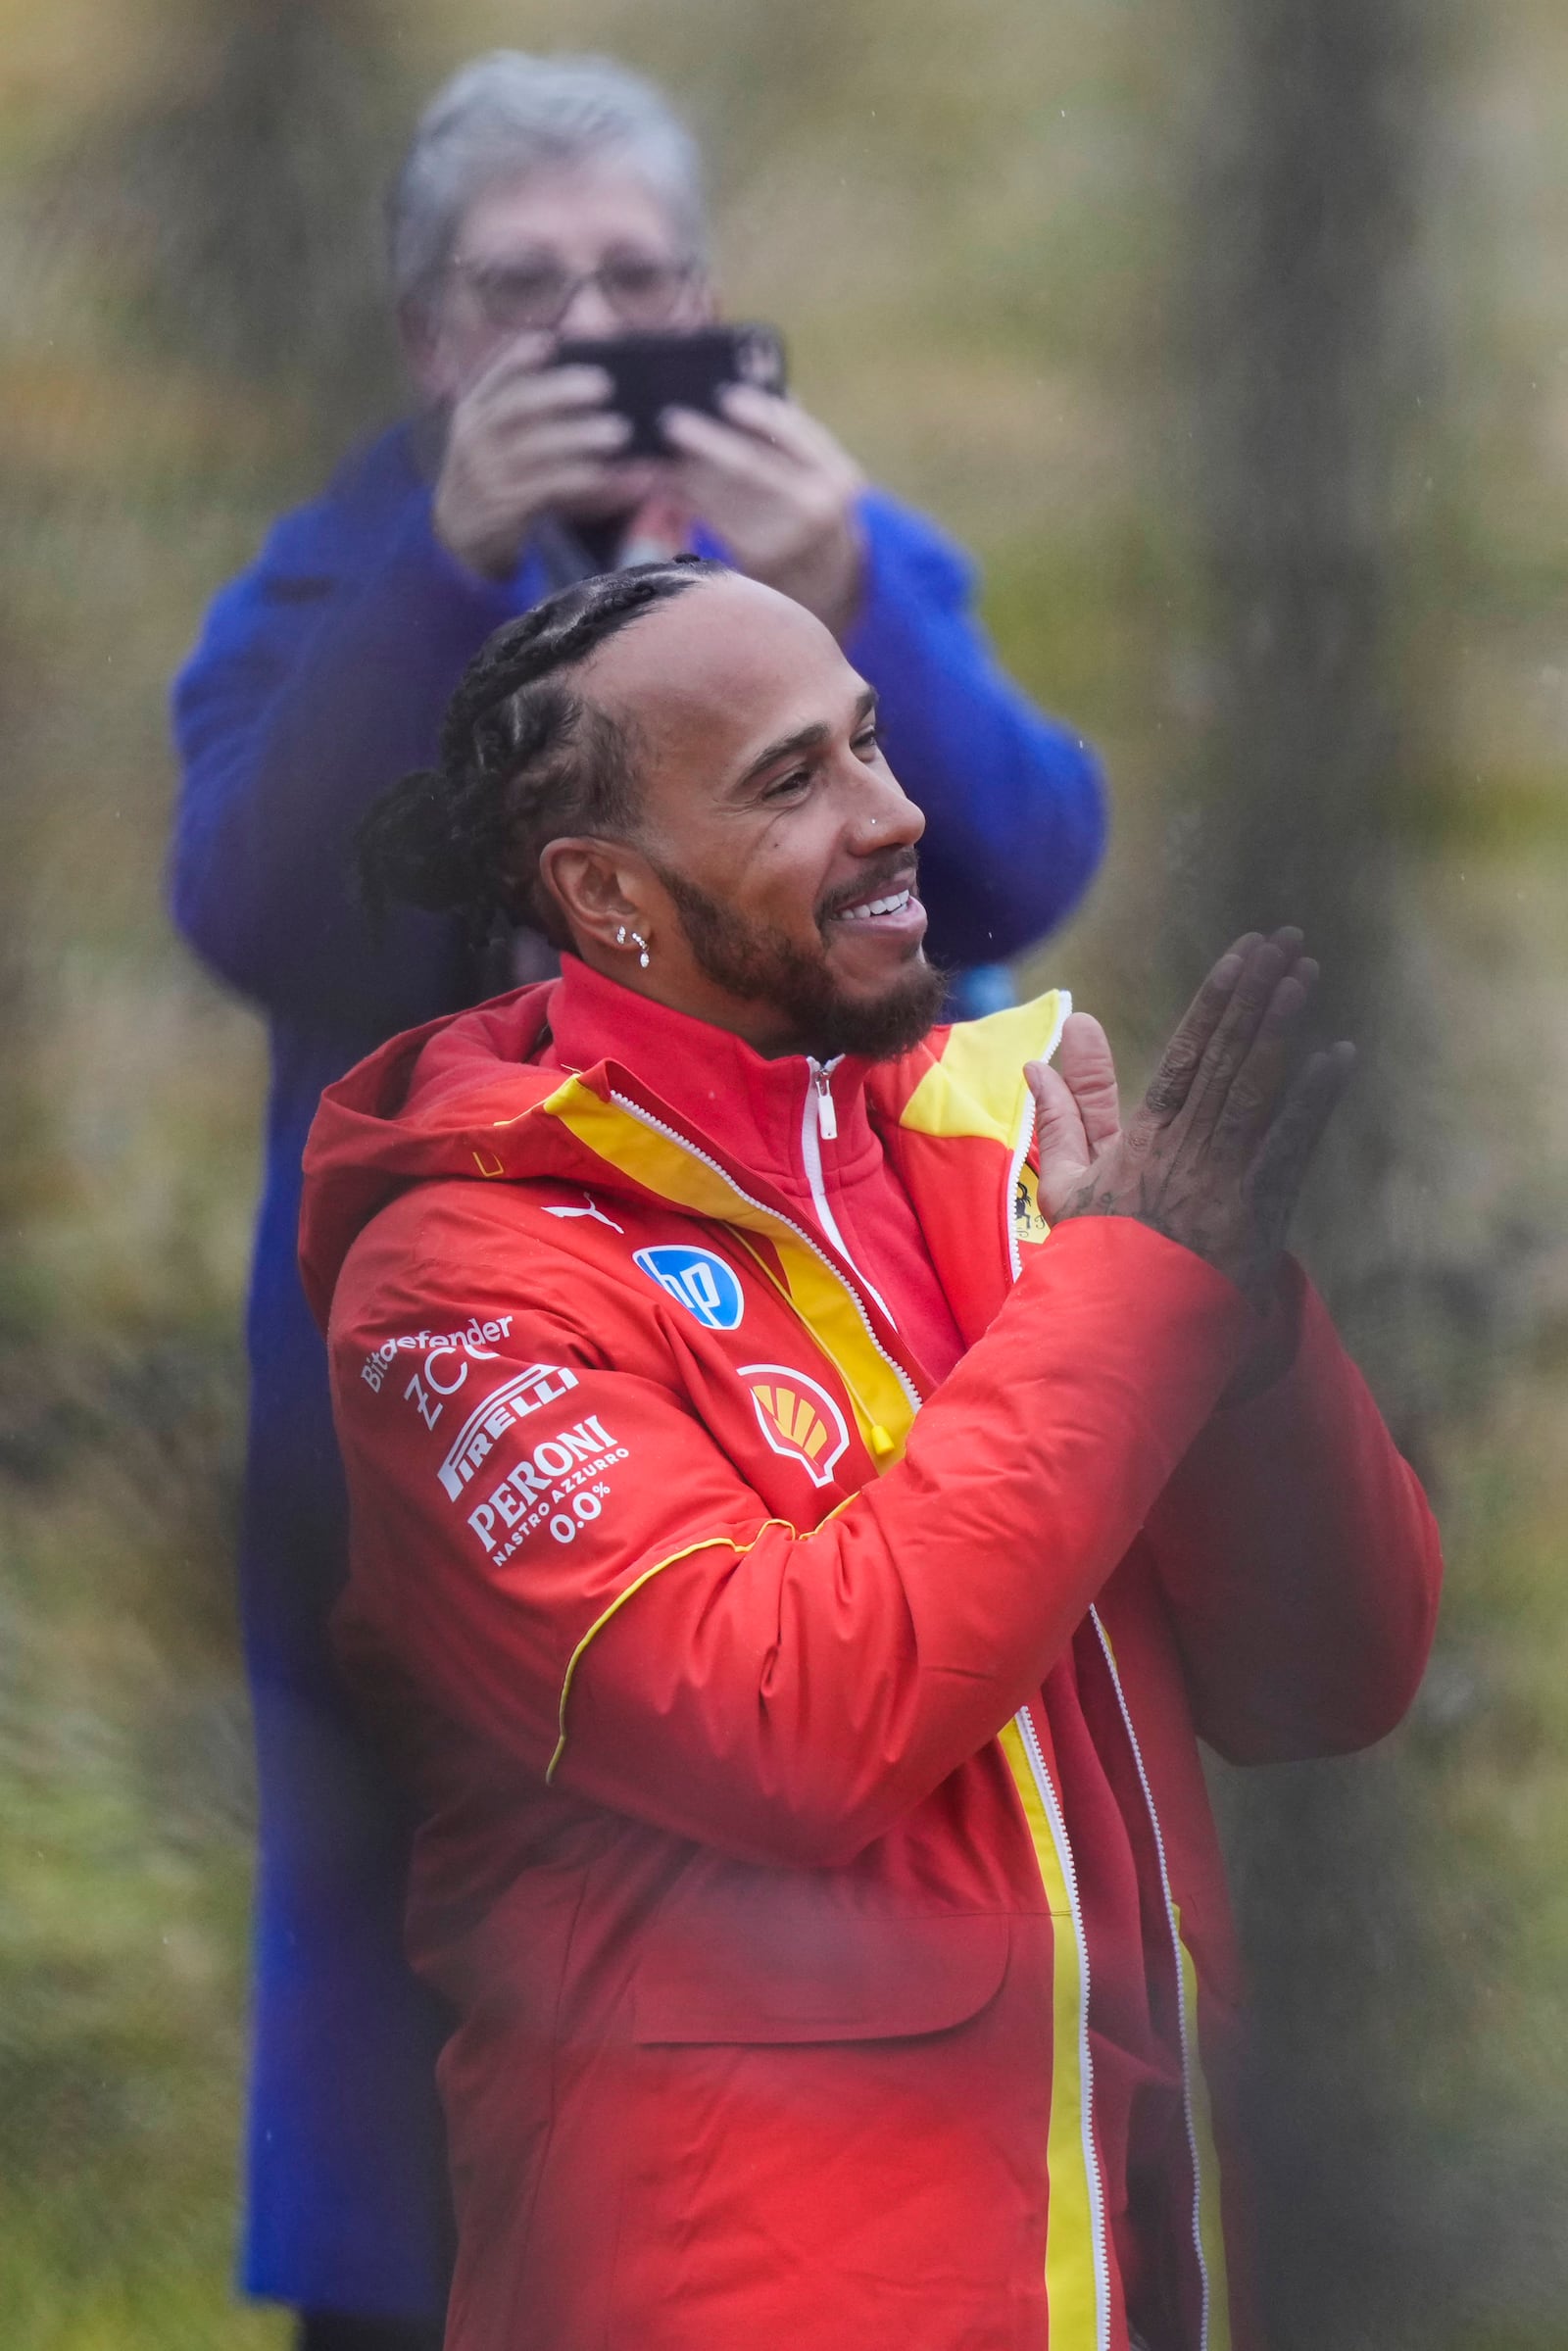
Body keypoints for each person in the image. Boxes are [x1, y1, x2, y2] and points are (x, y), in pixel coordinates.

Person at [169, 52, 1106, 2341]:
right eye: (521, 294)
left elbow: (1019, 853)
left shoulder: (814, 563)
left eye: (635, 282)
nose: (586, 332)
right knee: (418, 2050)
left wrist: (852, 588)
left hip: (826, 1402)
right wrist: (442, 572)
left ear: (714, 302)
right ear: (421, 336)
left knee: (815, 1931)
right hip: (445, 1433)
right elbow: (261, 901)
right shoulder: (329, 582)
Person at [299, 558, 1442, 2351]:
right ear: (605, 893)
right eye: (789, 780)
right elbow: (784, 1718)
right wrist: (1131, 1294)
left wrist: (1230, 1310)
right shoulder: (455, 1282)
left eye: (872, 741)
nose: (894, 816)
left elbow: (1332, 1677)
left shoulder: (994, 1143)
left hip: (1128, 2267)